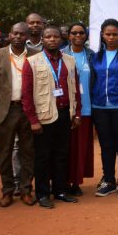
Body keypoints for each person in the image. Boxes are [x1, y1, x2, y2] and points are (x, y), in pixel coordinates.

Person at [21, 26, 82, 209]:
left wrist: (77, 113)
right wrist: (33, 120)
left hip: (65, 114)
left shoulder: (70, 61)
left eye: (56, 36)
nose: (52, 39)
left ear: (61, 39)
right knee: (42, 157)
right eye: (48, 36)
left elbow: (76, 89)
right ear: (42, 39)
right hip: (44, 116)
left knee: (61, 154)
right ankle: (42, 193)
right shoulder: (32, 61)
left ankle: (60, 190)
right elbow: (26, 94)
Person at [0, 22, 36, 208]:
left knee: (28, 153)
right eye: (15, 33)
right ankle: (7, 191)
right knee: (5, 153)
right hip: (5, 111)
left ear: (28, 36)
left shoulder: (36, 55)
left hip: (28, 110)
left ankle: (25, 190)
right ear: (10, 35)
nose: (18, 37)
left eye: (22, 34)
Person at [90, 18, 118, 198]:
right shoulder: (95, 57)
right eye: (108, 34)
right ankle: (108, 180)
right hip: (100, 107)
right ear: (102, 35)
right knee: (106, 145)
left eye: (115, 34)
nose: (111, 37)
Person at [63, 22, 94, 196]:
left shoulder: (91, 55)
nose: (78, 36)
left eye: (81, 33)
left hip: (87, 109)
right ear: (69, 36)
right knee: (66, 147)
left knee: (80, 148)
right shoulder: (61, 54)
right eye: (74, 33)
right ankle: (62, 181)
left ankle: (75, 182)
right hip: (67, 109)